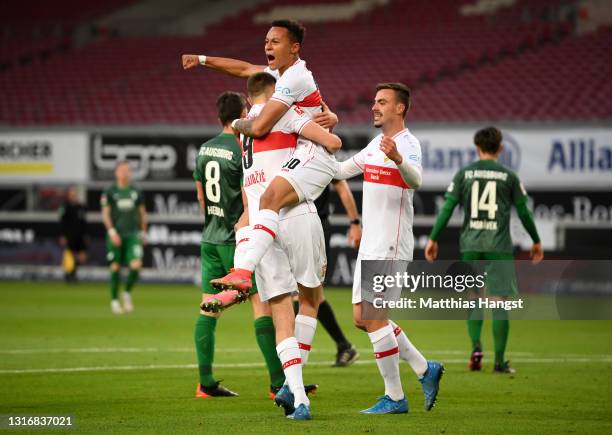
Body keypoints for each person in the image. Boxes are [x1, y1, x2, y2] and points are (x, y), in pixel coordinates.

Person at [182, 19, 339, 294]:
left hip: (314, 154)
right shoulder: (279, 75)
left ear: (294, 48)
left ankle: (243, 272)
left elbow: (260, 127)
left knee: (268, 201)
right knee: (249, 217)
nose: (267, 45)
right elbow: (244, 69)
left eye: (275, 41)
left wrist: (238, 124)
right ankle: (241, 278)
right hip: (302, 153)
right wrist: (202, 59)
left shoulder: (293, 78)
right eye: (266, 41)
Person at [193, 90, 323, 401]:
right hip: (240, 237)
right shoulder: (243, 144)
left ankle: (205, 382)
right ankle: (280, 383)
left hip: (210, 235)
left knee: (207, 307)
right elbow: (251, 192)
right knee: (263, 306)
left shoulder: (204, 149)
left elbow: (201, 197)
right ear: (242, 114)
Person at [334, 83, 444, 414]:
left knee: (374, 317)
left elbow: (416, 180)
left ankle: (395, 397)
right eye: (374, 101)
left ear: (400, 108)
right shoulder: (372, 145)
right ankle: (426, 369)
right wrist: (314, 145)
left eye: (382, 102)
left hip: (391, 245)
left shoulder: (408, 145)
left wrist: (397, 159)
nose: (374, 106)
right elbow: (339, 171)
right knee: (360, 317)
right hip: (372, 243)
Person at [425, 126, 544, 374]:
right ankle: (499, 362)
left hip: (471, 245)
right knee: (499, 301)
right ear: (500, 148)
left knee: (474, 298)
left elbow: (447, 208)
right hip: (498, 246)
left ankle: (476, 347)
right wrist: (535, 240)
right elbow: (523, 211)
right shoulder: (509, 176)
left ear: (477, 148)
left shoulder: (464, 174)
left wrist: (433, 238)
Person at [301, 180, 361, 367]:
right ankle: (344, 345)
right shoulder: (289, 152)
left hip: (315, 225)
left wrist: (354, 222)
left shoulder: (321, 153)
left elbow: (341, 184)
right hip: (292, 227)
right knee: (306, 295)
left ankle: (292, 360)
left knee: (306, 294)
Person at [101, 161, 147, 314]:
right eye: (122, 170)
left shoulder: (136, 191)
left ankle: (126, 293)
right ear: (116, 173)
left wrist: (143, 232)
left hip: (132, 235)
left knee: (136, 265)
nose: (124, 173)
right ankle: (114, 301)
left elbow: (142, 214)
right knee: (115, 267)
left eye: (127, 170)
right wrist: (112, 232)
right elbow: (106, 214)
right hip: (116, 235)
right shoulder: (110, 191)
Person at [58, 186, 88, 282]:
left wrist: (86, 234)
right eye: (72, 192)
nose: (73, 194)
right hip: (69, 235)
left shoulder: (81, 207)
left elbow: (84, 222)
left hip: (80, 235)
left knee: (82, 257)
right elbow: (62, 222)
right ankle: (69, 274)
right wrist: (62, 235)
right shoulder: (64, 206)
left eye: (74, 192)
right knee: (70, 255)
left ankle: (73, 272)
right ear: (69, 194)